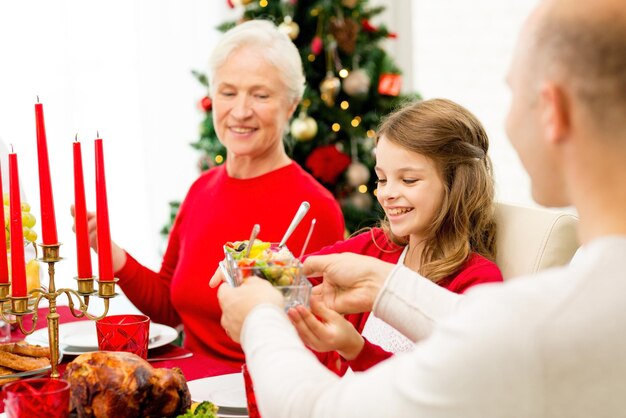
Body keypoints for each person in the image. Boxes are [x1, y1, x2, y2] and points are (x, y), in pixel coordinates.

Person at [216, 0, 626, 415]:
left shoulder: (532, 319)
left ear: (552, 111)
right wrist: (381, 286)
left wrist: (257, 317)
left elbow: (324, 409)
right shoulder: (560, 313)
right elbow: (473, 326)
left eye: (514, 93)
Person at [75, 20, 345, 370]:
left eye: (260, 95)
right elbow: (169, 310)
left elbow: (321, 346)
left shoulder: (316, 208)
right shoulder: (202, 189)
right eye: (228, 92)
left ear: (292, 105)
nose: (241, 110)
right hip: (191, 392)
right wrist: (111, 254)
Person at [285, 98, 503, 374]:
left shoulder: (478, 282)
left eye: (408, 180)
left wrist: (356, 349)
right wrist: (257, 262)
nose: (387, 193)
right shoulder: (376, 245)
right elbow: (294, 271)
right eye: (382, 179)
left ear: (457, 184)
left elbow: (442, 387)